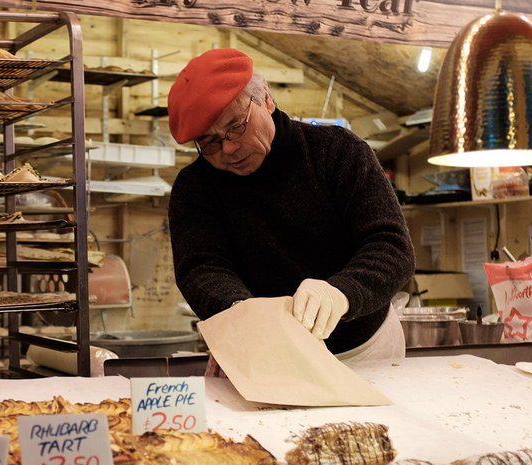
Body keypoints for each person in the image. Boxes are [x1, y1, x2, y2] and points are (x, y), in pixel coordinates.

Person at [166, 48, 415, 362]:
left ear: (266, 100)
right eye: (210, 142)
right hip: (263, 352)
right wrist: (239, 313)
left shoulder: (338, 152)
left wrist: (342, 291)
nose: (228, 148)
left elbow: (391, 246)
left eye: (235, 127)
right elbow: (201, 269)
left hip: (364, 349)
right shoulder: (195, 188)